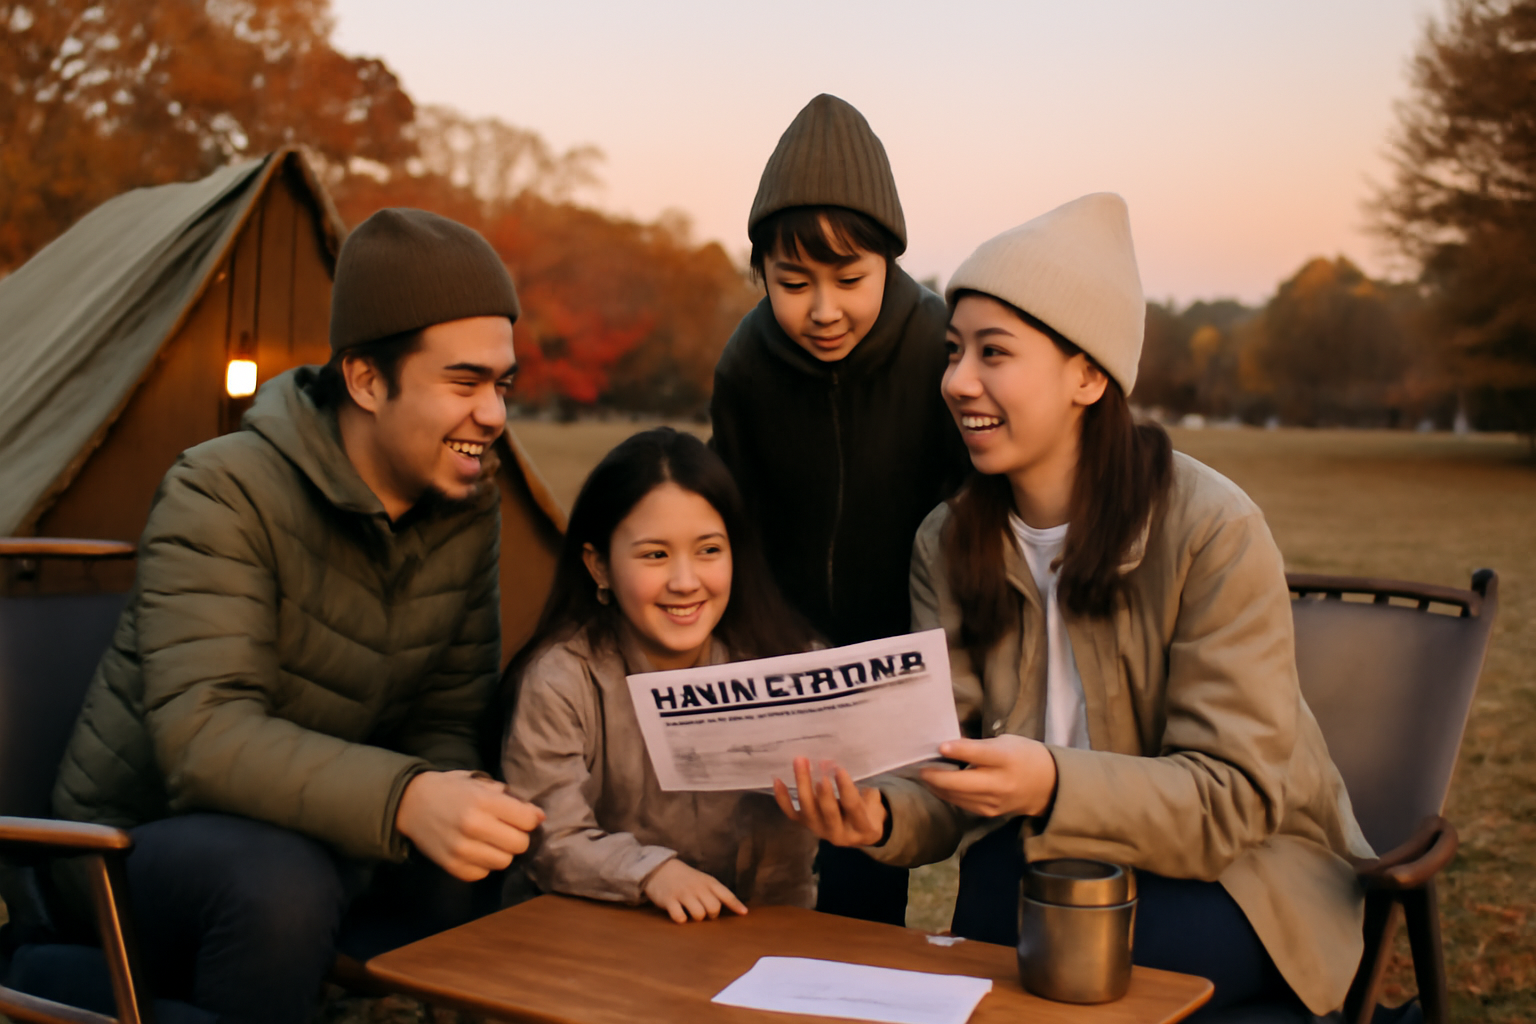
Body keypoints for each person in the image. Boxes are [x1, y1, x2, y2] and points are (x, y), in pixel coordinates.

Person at [775, 194, 1374, 1019]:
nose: (957, 382)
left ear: (1088, 375)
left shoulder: (1212, 528)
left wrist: (1052, 781)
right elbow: (939, 763)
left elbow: (1233, 799)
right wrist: (879, 814)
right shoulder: (948, 541)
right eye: (953, 352)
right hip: (1047, 866)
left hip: (1245, 876)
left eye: (993, 352)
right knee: (1004, 909)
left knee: (1045, 938)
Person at [48, 209, 544, 1024]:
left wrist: (450, 801)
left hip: (327, 831)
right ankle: (53, 972)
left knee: (484, 848)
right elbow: (204, 739)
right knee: (281, 883)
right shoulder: (222, 491)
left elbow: (446, 719)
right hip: (135, 846)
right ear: (367, 381)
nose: (493, 414)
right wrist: (404, 800)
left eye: (503, 385)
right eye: (464, 384)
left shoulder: (465, 506)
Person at [709, 93, 968, 926]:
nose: (823, 310)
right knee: (760, 865)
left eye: (849, 280)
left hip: (899, 662)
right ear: (762, 273)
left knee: (864, 864)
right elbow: (732, 514)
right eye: (793, 284)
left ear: (890, 261)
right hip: (782, 655)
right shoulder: (746, 365)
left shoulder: (938, 350)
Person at [502, 428, 819, 924]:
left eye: (709, 550)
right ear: (599, 566)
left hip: (756, 934)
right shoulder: (561, 679)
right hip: (594, 934)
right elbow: (551, 835)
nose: (685, 581)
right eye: (655, 555)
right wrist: (651, 873)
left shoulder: (785, 664)